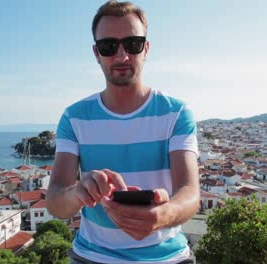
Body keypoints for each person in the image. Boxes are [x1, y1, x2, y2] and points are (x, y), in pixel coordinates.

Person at [46, 1, 200, 263]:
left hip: (167, 257)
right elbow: (55, 201)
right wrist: (78, 192)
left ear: (146, 49)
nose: (121, 56)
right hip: (93, 257)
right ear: (96, 53)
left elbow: (190, 193)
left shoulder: (176, 113)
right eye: (108, 46)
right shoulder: (74, 118)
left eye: (133, 44)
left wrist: (164, 215)